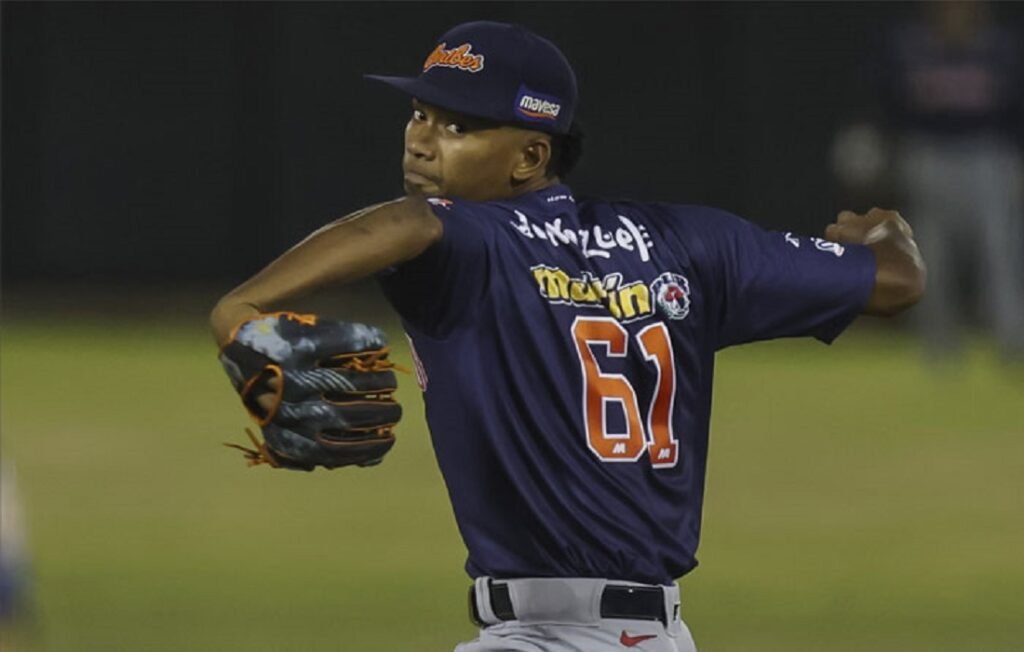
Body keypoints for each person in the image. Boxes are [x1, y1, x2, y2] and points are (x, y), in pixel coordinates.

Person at [211, 21, 925, 652]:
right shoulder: (692, 246)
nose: (423, 140)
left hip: (547, 638)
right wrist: (887, 233)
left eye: (458, 126)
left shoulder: (470, 243)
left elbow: (406, 223)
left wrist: (239, 312)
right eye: (419, 113)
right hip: (658, 636)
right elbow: (896, 283)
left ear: (529, 157)